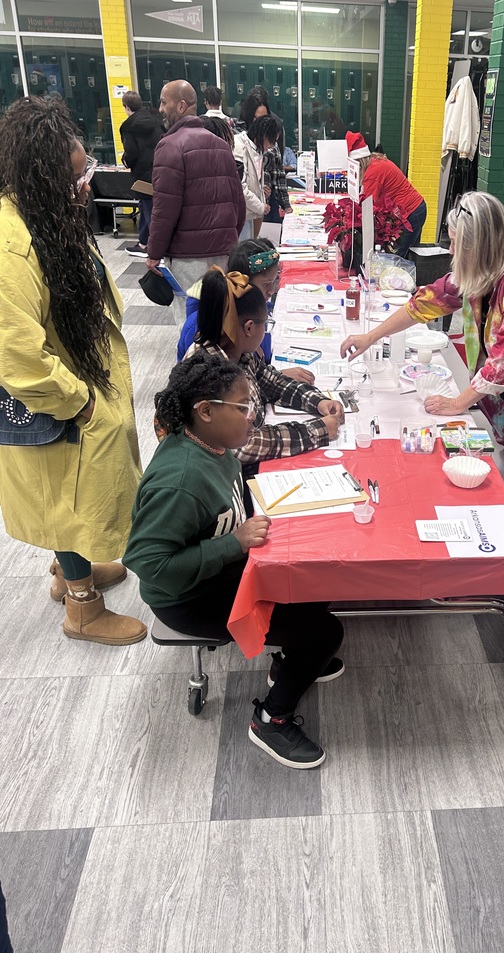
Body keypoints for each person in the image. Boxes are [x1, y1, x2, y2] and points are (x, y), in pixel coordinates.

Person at [123, 353, 344, 768]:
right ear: (205, 412)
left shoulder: (216, 445)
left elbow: (229, 500)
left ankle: (290, 662)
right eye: (243, 408)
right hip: (186, 596)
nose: (253, 416)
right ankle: (270, 720)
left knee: (315, 585)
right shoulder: (181, 481)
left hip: (219, 569)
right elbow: (149, 564)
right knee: (325, 633)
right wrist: (235, 544)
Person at [340, 191, 504, 516]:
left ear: (481, 243)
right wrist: (371, 337)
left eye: (457, 244)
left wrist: (456, 404)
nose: (451, 250)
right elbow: (429, 300)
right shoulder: (486, 265)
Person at [0, 96, 145, 644]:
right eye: (72, 180)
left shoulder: (43, 217)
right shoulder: (10, 244)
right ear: (41, 174)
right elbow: (17, 356)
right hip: (59, 397)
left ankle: (71, 570)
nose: (80, 188)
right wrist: (79, 401)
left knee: (76, 496)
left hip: (82, 375)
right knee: (68, 500)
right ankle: (82, 608)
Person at [185, 261, 344, 486]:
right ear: (249, 328)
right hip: (223, 481)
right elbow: (244, 445)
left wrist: (317, 402)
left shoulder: (235, 348)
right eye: (265, 324)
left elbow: (272, 381)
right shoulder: (211, 373)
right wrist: (317, 430)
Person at [146, 80, 245, 327]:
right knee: (218, 320)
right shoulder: (222, 146)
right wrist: (229, 239)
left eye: (163, 102)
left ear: (180, 106)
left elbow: (163, 210)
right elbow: (238, 203)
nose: (160, 109)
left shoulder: (169, 146)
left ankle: (193, 365)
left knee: (190, 323)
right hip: (222, 255)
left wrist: (153, 253)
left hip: (187, 257)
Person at [177, 237, 316, 385]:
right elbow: (215, 387)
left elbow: (253, 364)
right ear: (243, 283)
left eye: (274, 282)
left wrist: (271, 375)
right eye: (266, 284)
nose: (271, 291)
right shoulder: (203, 326)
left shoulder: (253, 310)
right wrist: (278, 376)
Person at [346, 131, 426, 259]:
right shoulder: (374, 161)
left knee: (398, 258)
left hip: (411, 212)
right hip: (414, 209)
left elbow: (368, 208)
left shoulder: (372, 173)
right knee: (407, 255)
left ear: (358, 163)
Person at [119, 90, 164, 258]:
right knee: (149, 208)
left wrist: (126, 161)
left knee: (148, 209)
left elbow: (131, 152)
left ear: (126, 106)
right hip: (160, 170)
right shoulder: (155, 120)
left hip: (142, 174)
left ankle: (152, 248)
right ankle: (143, 242)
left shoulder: (129, 127)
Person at [249, 115, 292, 246]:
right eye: (272, 140)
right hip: (258, 201)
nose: (272, 145)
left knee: (268, 237)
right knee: (258, 238)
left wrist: (285, 204)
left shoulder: (272, 148)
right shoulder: (249, 148)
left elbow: (278, 177)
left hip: (267, 200)